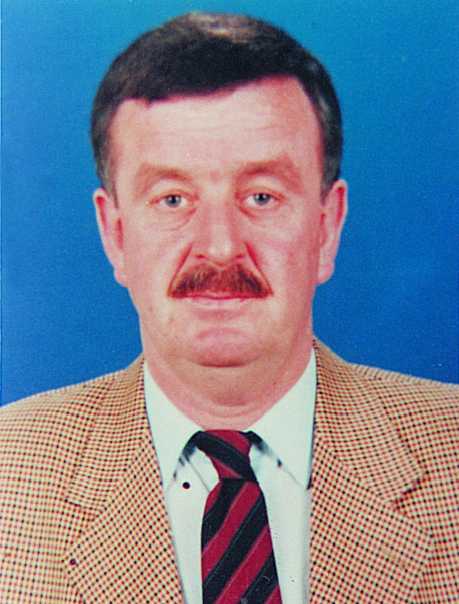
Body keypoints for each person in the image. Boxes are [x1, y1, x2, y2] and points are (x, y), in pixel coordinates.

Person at [0, 12, 457, 604]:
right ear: (115, 235)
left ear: (327, 226)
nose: (219, 246)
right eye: (172, 199)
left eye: (261, 196)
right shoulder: (11, 475)